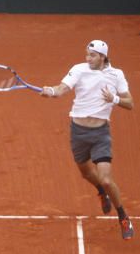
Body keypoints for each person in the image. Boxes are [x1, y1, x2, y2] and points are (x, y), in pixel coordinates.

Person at [40, 40, 135, 240]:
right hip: (78, 132)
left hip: (100, 134)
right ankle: (101, 192)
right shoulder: (79, 70)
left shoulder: (116, 75)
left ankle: (123, 216)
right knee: (86, 174)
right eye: (87, 55)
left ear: (102, 56)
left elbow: (130, 103)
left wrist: (114, 99)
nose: (87, 58)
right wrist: (51, 91)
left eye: (92, 55)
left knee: (107, 178)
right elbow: (62, 89)